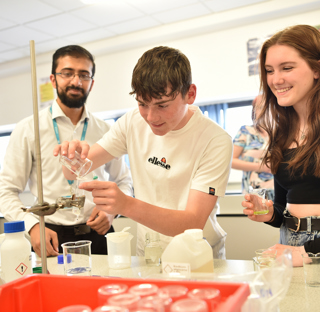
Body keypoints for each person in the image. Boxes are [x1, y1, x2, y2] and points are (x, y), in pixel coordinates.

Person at [54, 46, 233, 258]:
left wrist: (124, 204)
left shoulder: (215, 140)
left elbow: (192, 223)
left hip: (196, 257)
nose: (150, 117)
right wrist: (72, 158)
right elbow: (73, 173)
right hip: (148, 254)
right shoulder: (132, 122)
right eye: (142, 103)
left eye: (162, 105)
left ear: (190, 94)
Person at [0, 45, 133, 257]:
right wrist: (32, 226)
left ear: (92, 82)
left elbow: (124, 181)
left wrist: (112, 210)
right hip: (51, 236)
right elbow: (5, 191)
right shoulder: (28, 129)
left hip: (100, 234)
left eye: (84, 75)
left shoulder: (106, 130)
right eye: (67, 73)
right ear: (53, 79)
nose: (76, 81)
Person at [241, 24, 320, 266]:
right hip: (290, 241)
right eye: (269, 70)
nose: (276, 79)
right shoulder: (283, 134)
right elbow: (285, 204)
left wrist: (307, 252)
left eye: (287, 68)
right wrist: (269, 213)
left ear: (317, 69)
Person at [232, 94, 274, 201]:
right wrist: (261, 167)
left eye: (268, 106)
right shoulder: (245, 131)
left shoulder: (282, 133)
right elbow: (230, 161)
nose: (265, 110)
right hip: (254, 193)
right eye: (260, 107)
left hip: (278, 192)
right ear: (254, 111)